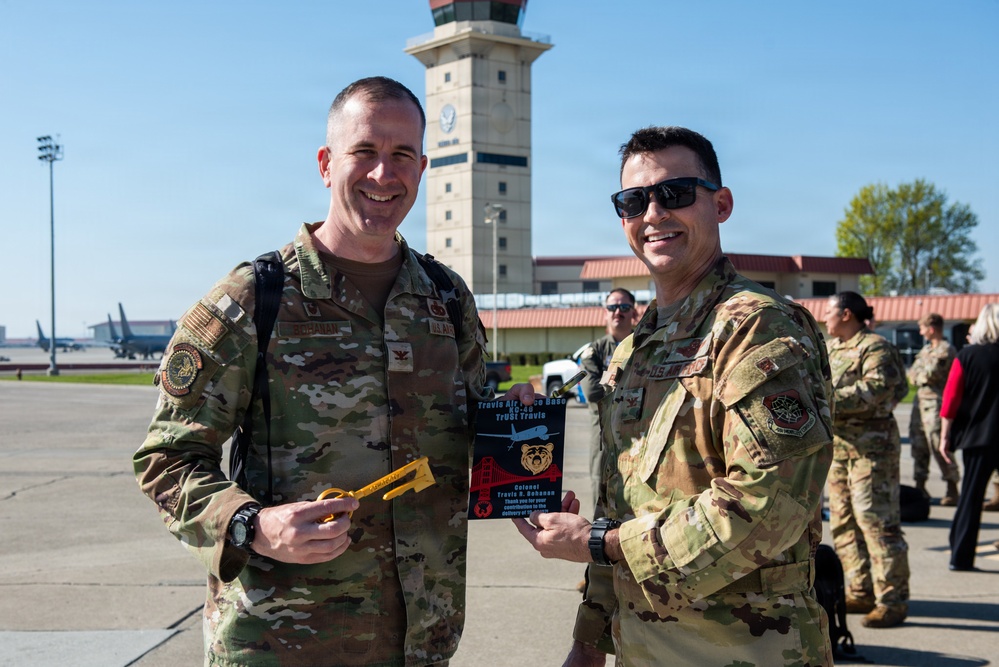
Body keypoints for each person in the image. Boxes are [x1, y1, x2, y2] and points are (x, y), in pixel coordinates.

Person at [133, 76, 530, 666]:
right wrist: (253, 525)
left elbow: (465, 430)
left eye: (402, 155)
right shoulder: (254, 299)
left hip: (420, 639)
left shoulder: (446, 298)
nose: (383, 174)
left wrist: (516, 428)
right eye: (364, 151)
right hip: (282, 641)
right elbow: (166, 459)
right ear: (326, 163)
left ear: (422, 168)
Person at [514, 126, 836, 666]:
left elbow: (770, 504)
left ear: (721, 204)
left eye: (676, 193)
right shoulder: (634, 348)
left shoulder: (755, 328)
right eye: (634, 200)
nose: (654, 213)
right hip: (642, 648)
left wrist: (600, 542)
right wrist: (590, 642)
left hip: (748, 648)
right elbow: (619, 505)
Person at [823, 291, 910, 628]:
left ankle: (892, 600)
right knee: (843, 522)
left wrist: (825, 399)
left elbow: (879, 390)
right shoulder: (832, 348)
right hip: (841, 448)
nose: (825, 318)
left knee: (877, 523)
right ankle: (860, 589)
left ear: (846, 314)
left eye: (829, 312)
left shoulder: (875, 347)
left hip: (873, 451)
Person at [940, 303, 999, 570]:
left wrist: (945, 436)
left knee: (971, 498)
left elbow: (951, 399)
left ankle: (960, 557)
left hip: (978, 438)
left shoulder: (967, 355)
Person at [578, 288, 639, 510]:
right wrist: (631, 383)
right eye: (612, 307)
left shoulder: (647, 346)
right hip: (603, 438)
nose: (618, 312)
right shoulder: (594, 351)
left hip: (641, 434)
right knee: (601, 500)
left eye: (624, 307)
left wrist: (611, 379)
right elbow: (591, 391)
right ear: (605, 312)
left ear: (634, 312)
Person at [907, 313, 959, 505]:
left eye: (922, 328)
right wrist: (918, 376)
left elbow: (930, 374)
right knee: (918, 444)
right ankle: (920, 486)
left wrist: (919, 375)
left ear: (931, 329)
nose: (921, 332)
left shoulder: (946, 349)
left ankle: (952, 487)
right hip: (920, 404)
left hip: (936, 404)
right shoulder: (926, 350)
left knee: (939, 445)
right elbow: (912, 375)